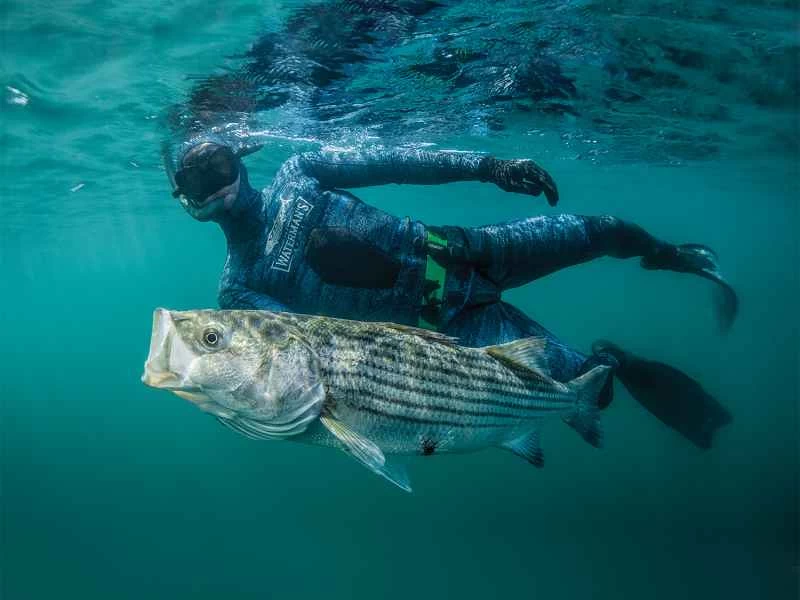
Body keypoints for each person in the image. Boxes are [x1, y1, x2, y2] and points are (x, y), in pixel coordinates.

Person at [165, 141, 735, 448]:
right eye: (197, 179)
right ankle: (617, 360)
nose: (214, 183)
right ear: (185, 201)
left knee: (606, 230)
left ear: (238, 159)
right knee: (590, 391)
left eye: (215, 163)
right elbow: (300, 359)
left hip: (466, 251)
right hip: (457, 331)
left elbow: (398, 162)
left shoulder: (300, 173)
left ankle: (666, 254)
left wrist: (489, 167)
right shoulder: (240, 286)